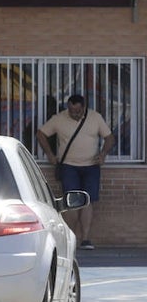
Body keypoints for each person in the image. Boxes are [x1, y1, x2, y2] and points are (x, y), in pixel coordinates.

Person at [36, 94, 113, 249]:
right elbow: (41, 134)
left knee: (87, 201)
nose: (74, 113)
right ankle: (70, 238)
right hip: (68, 166)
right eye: (71, 110)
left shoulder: (95, 118)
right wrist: (50, 154)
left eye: (78, 111)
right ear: (67, 107)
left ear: (84, 108)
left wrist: (103, 154)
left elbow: (110, 138)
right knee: (71, 202)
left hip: (91, 166)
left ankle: (85, 239)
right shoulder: (59, 119)